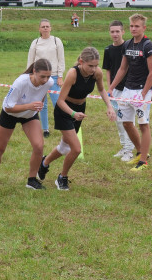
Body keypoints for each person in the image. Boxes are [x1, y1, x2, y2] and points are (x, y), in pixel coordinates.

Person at [36, 47, 116, 190]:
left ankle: (44, 163)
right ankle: (62, 177)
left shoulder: (97, 73)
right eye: (90, 65)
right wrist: (73, 114)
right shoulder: (73, 74)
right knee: (76, 149)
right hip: (65, 109)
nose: (93, 69)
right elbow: (60, 101)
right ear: (81, 61)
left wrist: (109, 106)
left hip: (80, 110)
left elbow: (102, 90)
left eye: (96, 65)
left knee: (65, 147)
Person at [0, 59, 54, 189]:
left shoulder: (49, 82)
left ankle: (32, 180)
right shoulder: (21, 82)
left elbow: (42, 94)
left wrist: (38, 104)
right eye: (42, 76)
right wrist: (30, 105)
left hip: (29, 115)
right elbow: (9, 107)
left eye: (48, 76)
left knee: (39, 146)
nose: (45, 80)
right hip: (10, 114)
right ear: (34, 71)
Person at [107, 13, 152, 171]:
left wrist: (143, 93)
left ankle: (143, 161)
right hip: (127, 90)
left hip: (142, 91)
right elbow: (123, 68)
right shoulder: (127, 44)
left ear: (144, 28)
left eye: (137, 26)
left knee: (144, 125)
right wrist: (111, 87)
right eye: (131, 26)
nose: (133, 29)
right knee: (126, 123)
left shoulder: (148, 46)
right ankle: (140, 152)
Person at [102, 20, 136, 161]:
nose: (115, 34)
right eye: (112, 31)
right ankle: (124, 147)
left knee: (128, 120)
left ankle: (130, 150)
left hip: (129, 89)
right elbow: (109, 70)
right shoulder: (108, 50)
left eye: (117, 31)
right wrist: (110, 89)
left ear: (123, 32)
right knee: (118, 120)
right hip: (115, 90)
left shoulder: (129, 47)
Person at [26, 19, 65, 137]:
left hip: (53, 76)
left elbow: (61, 59)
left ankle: (64, 127)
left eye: (47, 26)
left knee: (58, 103)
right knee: (41, 105)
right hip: (39, 77)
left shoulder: (56, 41)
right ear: (39, 29)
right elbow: (30, 60)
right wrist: (29, 75)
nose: (45, 28)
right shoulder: (35, 42)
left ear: (51, 28)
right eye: (43, 26)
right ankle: (45, 129)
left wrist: (60, 76)